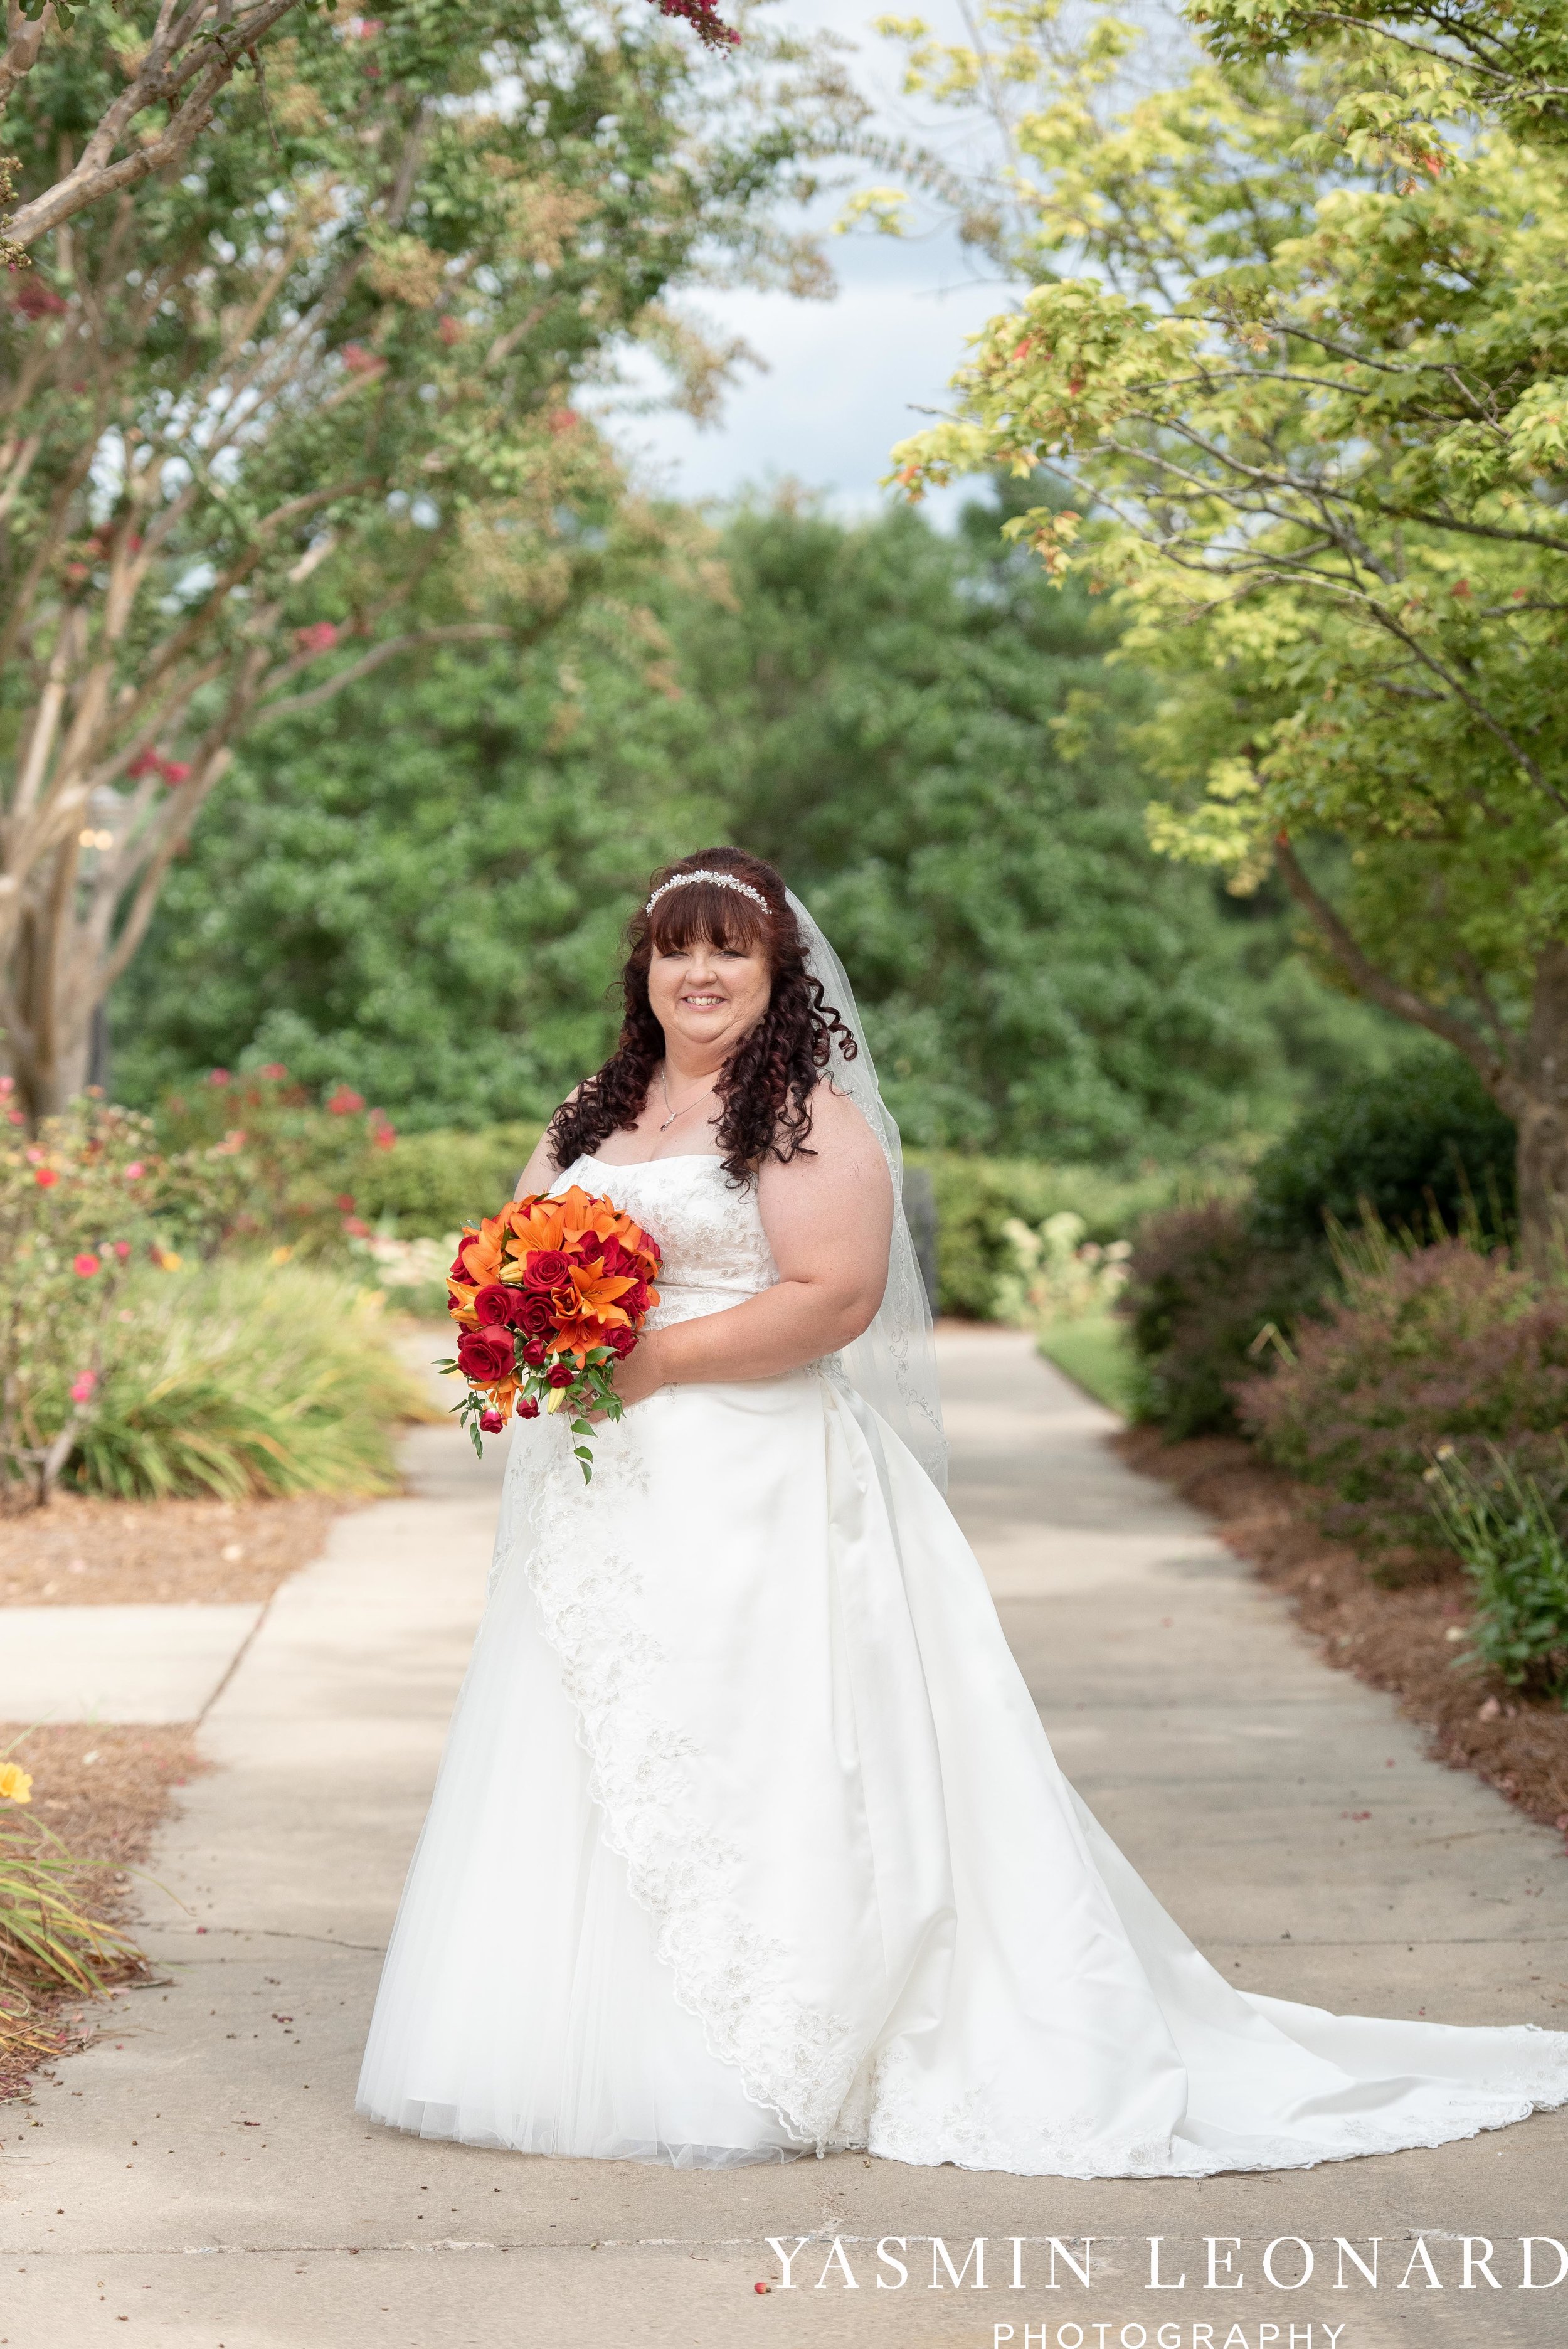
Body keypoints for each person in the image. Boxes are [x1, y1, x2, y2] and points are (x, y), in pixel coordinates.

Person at [357, 847, 1568, 2173]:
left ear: (776, 972)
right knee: (598, 1738)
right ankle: (564, 2040)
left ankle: (775, 2049)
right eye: (672, 947)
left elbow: (832, 1296)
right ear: (640, 968)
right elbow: (514, 1248)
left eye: (728, 950)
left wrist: (649, 1361)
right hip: (605, 1497)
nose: (696, 973)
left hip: (759, 1485)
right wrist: (525, 1326)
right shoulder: (595, 1110)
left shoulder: (808, 1117)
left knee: (765, 1749)